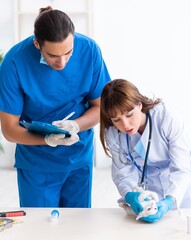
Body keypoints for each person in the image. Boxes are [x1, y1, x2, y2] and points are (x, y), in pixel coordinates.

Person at [0, 6, 110, 208]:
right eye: (53, 56)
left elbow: (101, 106)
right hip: (37, 164)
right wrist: (47, 139)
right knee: (40, 230)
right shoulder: (14, 63)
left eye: (68, 53)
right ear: (37, 44)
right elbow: (9, 130)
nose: (62, 62)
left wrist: (75, 125)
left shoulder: (89, 50)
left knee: (78, 228)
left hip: (78, 157)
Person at [100, 79, 191, 223]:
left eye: (129, 114)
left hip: (188, 179)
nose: (125, 125)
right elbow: (123, 175)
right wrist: (130, 194)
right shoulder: (114, 134)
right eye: (116, 119)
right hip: (153, 181)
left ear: (139, 105)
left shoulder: (166, 118)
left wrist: (169, 201)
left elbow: (181, 170)